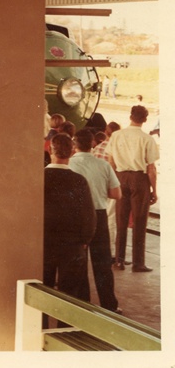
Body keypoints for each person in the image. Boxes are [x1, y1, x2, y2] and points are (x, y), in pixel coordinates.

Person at [69, 129, 121, 313]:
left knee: (79, 262)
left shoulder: (69, 164)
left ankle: (83, 303)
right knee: (102, 263)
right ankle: (109, 304)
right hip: (98, 214)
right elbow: (116, 194)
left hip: (76, 218)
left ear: (74, 145)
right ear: (92, 144)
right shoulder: (103, 165)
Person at [44, 134, 96, 307]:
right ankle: (64, 329)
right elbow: (89, 215)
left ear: (50, 150)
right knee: (70, 294)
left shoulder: (39, 177)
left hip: (43, 243)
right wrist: (85, 241)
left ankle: (39, 328)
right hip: (72, 245)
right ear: (72, 152)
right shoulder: (79, 181)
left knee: (41, 290)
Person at [107, 105, 159, 272]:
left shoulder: (116, 135)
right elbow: (151, 169)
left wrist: (114, 181)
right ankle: (138, 263)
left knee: (121, 220)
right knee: (139, 220)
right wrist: (154, 190)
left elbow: (111, 162)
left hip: (120, 178)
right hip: (139, 179)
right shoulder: (147, 139)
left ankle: (119, 261)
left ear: (130, 116)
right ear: (144, 120)